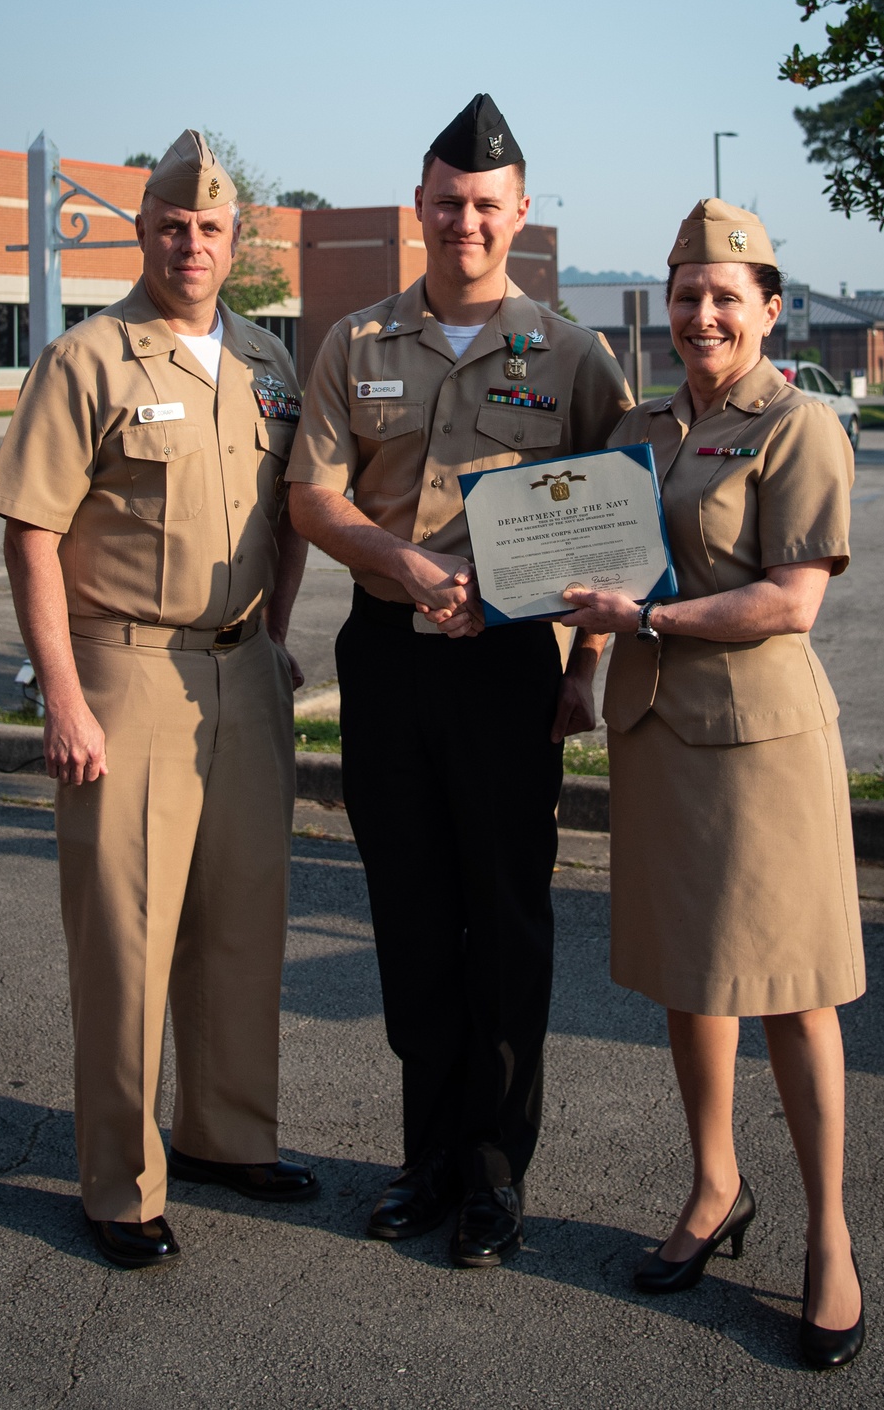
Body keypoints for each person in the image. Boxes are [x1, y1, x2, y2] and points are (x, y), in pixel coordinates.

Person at [286, 94, 632, 1268]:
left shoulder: (573, 354)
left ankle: (495, 1173)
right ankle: (424, 1154)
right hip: (386, 658)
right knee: (411, 910)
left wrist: (586, 666)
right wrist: (396, 559)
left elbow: (617, 526)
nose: (464, 221)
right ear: (418, 207)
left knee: (509, 918)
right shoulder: (356, 342)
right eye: (446, 202)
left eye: (486, 205)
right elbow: (313, 494)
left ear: (520, 213)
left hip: (502, 671)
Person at [0, 130, 318, 1269]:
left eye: (211, 227)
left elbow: (295, 517)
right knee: (127, 936)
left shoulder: (271, 362)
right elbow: (32, 535)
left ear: (235, 241)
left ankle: (228, 1134)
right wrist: (63, 701)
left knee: (243, 916)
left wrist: (272, 640)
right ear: (144, 232)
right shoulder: (90, 359)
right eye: (172, 225)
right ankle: (120, 1183)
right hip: (123, 672)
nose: (191, 243)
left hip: (243, 675)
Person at [558, 199, 865, 1368]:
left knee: (793, 987)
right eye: (685, 295)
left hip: (761, 744)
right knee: (695, 977)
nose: (701, 314)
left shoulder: (797, 425)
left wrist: (646, 619)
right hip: (652, 728)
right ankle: (711, 1187)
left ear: (769, 308)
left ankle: (830, 1237)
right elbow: (601, 561)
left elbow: (791, 601)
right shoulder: (642, 425)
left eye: (725, 297)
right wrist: (582, 669)